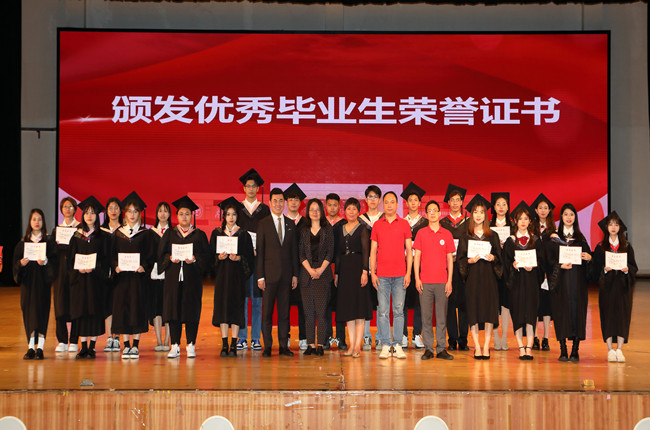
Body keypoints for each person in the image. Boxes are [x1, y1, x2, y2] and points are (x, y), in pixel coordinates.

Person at [158, 195, 210, 359]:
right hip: (173, 279)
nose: (184, 217)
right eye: (181, 214)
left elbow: (207, 257)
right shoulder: (170, 234)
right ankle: (174, 345)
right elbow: (161, 255)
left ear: (192, 215)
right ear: (177, 216)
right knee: (173, 310)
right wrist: (169, 259)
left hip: (192, 280)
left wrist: (194, 259)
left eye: (187, 213)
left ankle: (191, 344)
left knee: (191, 310)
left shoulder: (199, 235)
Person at [457, 194, 502, 360]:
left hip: (489, 279)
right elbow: (460, 260)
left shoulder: (493, 236)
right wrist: (469, 261)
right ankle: (476, 346)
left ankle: (486, 346)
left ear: (486, 215)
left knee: (489, 312)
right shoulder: (466, 236)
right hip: (473, 279)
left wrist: (493, 258)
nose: (478, 215)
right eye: (475, 212)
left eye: (481, 212)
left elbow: (500, 259)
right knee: (474, 312)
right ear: (471, 215)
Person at [256, 187, 299, 357]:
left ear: (284, 203)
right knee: (267, 314)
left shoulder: (290, 224)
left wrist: (295, 274)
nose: (278, 204)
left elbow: (294, 252)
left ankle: (283, 346)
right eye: (275, 201)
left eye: (281, 200)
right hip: (268, 277)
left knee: (284, 313)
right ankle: (267, 346)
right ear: (270, 203)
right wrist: (260, 276)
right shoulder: (263, 223)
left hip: (286, 277)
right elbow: (260, 252)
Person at [370, 191, 413, 359]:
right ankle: (386, 344)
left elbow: (409, 250)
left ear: (397, 205)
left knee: (398, 311)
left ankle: (398, 344)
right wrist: (373, 273)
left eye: (392, 202)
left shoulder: (404, 224)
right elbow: (373, 251)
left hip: (400, 275)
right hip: (381, 276)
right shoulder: (377, 225)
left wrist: (408, 273)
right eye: (386, 202)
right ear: (383, 204)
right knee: (382, 311)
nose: (389, 205)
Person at [547, 203, 592, 362]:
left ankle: (575, 350)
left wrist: (589, 258)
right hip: (561, 283)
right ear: (561, 217)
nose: (568, 217)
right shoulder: (554, 239)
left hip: (577, 284)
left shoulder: (581, 239)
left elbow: (589, 265)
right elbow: (549, 261)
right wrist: (560, 266)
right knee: (561, 313)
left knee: (576, 313)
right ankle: (563, 349)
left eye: (571, 214)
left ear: (575, 217)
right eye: (566, 214)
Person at [210, 197, 254, 357]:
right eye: (228, 214)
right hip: (222, 278)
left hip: (237, 279)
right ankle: (224, 344)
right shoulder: (217, 233)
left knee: (236, 308)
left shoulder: (244, 235)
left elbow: (250, 258)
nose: (231, 217)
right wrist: (218, 258)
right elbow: (210, 258)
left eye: (234, 214)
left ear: (237, 216)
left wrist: (239, 258)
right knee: (222, 308)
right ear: (224, 216)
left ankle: (234, 344)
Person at [111, 191, 152, 359]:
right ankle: (126, 345)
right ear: (125, 213)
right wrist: (115, 266)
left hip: (137, 278)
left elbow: (150, 255)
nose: (132, 214)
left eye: (135, 211)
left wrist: (144, 266)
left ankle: (135, 345)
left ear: (139, 214)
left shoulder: (145, 233)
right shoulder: (118, 233)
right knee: (123, 309)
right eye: (129, 211)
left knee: (136, 308)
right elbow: (112, 255)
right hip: (122, 279)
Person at [502, 201, 545, 361]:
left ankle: (529, 346)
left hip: (532, 283)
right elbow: (505, 264)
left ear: (529, 221)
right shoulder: (510, 241)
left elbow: (541, 263)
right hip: (517, 284)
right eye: (520, 219)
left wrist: (534, 266)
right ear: (515, 221)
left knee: (531, 314)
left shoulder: (536, 240)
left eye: (526, 219)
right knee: (518, 314)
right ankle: (521, 346)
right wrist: (513, 266)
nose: (523, 222)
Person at [592, 211, 637, 363]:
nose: (613, 227)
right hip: (608, 288)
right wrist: (604, 270)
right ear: (606, 227)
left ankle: (620, 349)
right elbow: (595, 269)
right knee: (608, 316)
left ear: (620, 227)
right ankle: (610, 349)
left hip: (623, 288)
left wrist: (627, 270)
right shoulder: (601, 247)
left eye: (616, 224)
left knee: (623, 316)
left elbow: (634, 266)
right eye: (610, 224)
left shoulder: (626, 246)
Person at [413, 200, 455, 361]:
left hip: (442, 282)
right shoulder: (421, 233)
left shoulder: (447, 234)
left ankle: (442, 348)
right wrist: (417, 278)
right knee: (426, 317)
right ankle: (428, 349)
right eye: (429, 211)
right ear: (426, 214)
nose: (432, 213)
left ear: (439, 213)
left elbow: (450, 259)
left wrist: (449, 281)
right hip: (425, 282)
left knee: (442, 317)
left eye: (435, 211)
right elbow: (417, 258)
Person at [69, 196, 109, 359]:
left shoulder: (102, 236)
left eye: (93, 213)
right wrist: (78, 269)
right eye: (86, 213)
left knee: (94, 313)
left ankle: (92, 346)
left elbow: (105, 259)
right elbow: (70, 258)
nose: (89, 216)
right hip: (80, 281)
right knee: (82, 313)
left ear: (97, 216)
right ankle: (83, 346)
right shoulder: (76, 235)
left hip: (95, 281)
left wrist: (95, 267)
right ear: (83, 215)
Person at [13, 209, 56, 360]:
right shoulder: (23, 243)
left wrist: (46, 262)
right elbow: (15, 266)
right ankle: (31, 347)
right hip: (28, 285)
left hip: (42, 285)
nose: (37, 222)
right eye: (34, 219)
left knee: (42, 313)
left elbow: (55, 264)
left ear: (43, 222)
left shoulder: (48, 243)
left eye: (39, 219)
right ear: (30, 222)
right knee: (29, 314)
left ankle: (40, 348)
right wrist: (21, 264)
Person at [236, 168, 270, 352]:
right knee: (242, 299)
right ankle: (242, 337)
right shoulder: (237, 209)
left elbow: (267, 236)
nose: (250, 189)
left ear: (258, 189)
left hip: (258, 260)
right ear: (244, 188)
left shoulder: (264, 210)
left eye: (253, 186)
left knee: (257, 300)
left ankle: (256, 338)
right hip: (241, 261)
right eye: (248, 186)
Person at [334, 198, 372, 358]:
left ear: (358, 212)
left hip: (358, 269)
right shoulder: (340, 228)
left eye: (354, 209)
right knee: (348, 309)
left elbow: (366, 251)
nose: (351, 212)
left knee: (359, 308)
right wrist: (337, 273)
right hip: (344, 271)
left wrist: (365, 271)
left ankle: (357, 346)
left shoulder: (363, 229)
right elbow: (337, 253)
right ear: (345, 211)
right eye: (348, 209)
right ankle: (351, 345)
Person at [298, 199, 334, 356]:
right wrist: (311, 271)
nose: (315, 212)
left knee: (321, 312)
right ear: (308, 212)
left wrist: (319, 270)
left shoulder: (328, 229)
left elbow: (330, 253)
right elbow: (301, 254)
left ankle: (320, 344)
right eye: (312, 209)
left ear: (322, 211)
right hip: (307, 277)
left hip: (323, 276)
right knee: (308, 313)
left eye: (317, 209)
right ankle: (310, 345)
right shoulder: (304, 230)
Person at [440, 183, 470, 352]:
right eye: (452, 200)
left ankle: (463, 339)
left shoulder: (468, 222)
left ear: (462, 202)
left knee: (464, 304)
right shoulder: (443, 223)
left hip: (464, 268)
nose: (455, 203)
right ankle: (452, 339)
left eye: (458, 200)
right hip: (448, 268)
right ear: (448, 203)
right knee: (450, 304)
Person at [401, 182, 429, 350]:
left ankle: (417, 334)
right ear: (406, 203)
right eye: (410, 200)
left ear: (419, 203)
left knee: (420, 300)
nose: (412, 202)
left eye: (415, 200)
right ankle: (403, 335)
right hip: (403, 265)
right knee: (402, 300)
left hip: (421, 265)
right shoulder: (401, 222)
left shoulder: (425, 222)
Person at [51, 197, 79, 353]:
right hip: (60, 273)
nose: (67, 209)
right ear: (61, 210)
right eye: (65, 207)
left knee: (75, 304)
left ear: (75, 209)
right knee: (60, 304)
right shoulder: (57, 230)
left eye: (70, 206)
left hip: (75, 272)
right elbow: (52, 253)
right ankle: (61, 340)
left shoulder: (80, 228)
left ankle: (74, 340)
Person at [284, 183, 309, 350]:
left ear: (300, 203)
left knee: (303, 304)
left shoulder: (306, 222)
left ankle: (303, 337)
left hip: (302, 269)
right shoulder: (281, 222)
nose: (293, 202)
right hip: (285, 268)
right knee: (284, 304)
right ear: (286, 202)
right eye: (290, 199)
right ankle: (284, 336)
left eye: (296, 200)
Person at [359, 185, 384, 351]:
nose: (373, 200)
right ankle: (366, 335)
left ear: (379, 199)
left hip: (383, 265)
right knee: (365, 301)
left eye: (375, 197)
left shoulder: (385, 219)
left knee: (382, 303)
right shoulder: (360, 220)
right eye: (370, 197)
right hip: (365, 265)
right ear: (366, 200)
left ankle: (381, 336)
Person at [530, 193, 556, 352]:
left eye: (546, 208)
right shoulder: (530, 228)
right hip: (533, 272)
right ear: (535, 210)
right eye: (540, 208)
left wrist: (549, 272)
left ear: (549, 210)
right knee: (534, 305)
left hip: (549, 273)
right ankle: (533, 337)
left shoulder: (554, 230)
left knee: (547, 306)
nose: (543, 210)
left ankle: (545, 337)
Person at [490, 192, 513, 352]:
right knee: (493, 304)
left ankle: (504, 337)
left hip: (508, 269)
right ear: (494, 207)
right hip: (492, 269)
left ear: (508, 207)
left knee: (505, 304)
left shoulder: (513, 226)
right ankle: (495, 338)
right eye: (498, 204)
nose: (501, 207)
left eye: (504, 204)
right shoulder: (488, 226)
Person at [325, 193, 347, 351]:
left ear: (339, 206)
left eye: (335, 205)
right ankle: (326, 338)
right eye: (329, 205)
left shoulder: (344, 224)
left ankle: (341, 338)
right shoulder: (321, 223)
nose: (332, 208)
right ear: (326, 206)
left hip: (341, 269)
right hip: (324, 269)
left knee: (341, 305)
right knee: (325, 305)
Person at [149, 201, 172, 352]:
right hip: (154, 274)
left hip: (170, 274)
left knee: (168, 308)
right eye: (160, 211)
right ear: (157, 214)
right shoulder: (151, 233)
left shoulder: (174, 232)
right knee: (156, 308)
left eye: (165, 211)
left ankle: (167, 340)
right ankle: (158, 340)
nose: (163, 214)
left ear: (169, 214)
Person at [101, 197, 123, 353]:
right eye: (110, 208)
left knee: (119, 304)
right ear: (106, 211)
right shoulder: (100, 231)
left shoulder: (125, 230)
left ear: (120, 211)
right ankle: (110, 336)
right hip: (104, 273)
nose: (113, 211)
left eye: (116, 208)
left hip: (120, 271)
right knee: (108, 304)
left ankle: (118, 337)